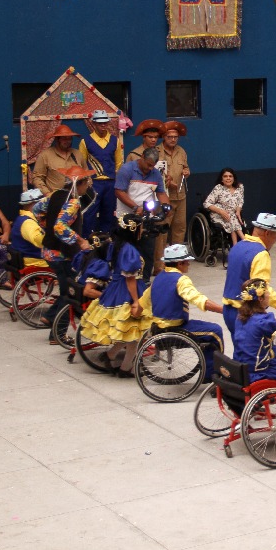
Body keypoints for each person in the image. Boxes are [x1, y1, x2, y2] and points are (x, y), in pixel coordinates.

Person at [78, 214, 152, 377]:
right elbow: (130, 279)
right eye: (140, 228)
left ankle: (111, 355)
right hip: (127, 291)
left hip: (115, 289)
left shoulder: (116, 245)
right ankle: (125, 368)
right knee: (135, 332)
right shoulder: (130, 250)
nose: (142, 231)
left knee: (128, 331)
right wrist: (136, 301)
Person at [148, 244, 225, 382]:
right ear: (180, 263)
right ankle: (212, 376)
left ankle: (208, 368)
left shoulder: (159, 278)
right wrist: (223, 310)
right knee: (215, 332)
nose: (189, 264)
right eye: (187, 261)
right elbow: (199, 299)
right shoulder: (181, 280)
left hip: (158, 328)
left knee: (206, 328)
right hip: (175, 329)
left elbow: (143, 302)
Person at [221, 212, 276, 337]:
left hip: (228, 311)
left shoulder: (237, 246)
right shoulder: (261, 254)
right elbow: (261, 290)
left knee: (241, 347)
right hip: (246, 314)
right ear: (267, 233)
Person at [35, 167, 95, 329]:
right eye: (86, 183)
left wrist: (45, 225)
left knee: (66, 289)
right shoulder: (73, 202)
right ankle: (58, 331)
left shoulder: (54, 195)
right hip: (61, 254)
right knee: (69, 292)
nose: (88, 187)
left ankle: (50, 317)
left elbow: (36, 209)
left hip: (48, 250)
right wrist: (80, 241)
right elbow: (60, 227)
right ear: (79, 184)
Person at [114, 148, 170, 281]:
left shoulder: (156, 174)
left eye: (153, 166)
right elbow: (119, 191)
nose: (150, 168)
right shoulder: (127, 169)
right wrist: (135, 207)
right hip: (126, 219)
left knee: (147, 251)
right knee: (125, 250)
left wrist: (166, 207)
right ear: (142, 157)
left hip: (146, 219)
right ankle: (122, 281)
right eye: (148, 164)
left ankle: (144, 281)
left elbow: (161, 193)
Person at [77, 110, 122, 237]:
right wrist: (87, 180)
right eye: (100, 123)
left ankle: (106, 239)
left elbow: (118, 163)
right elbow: (82, 163)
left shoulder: (115, 140)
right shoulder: (85, 141)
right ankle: (88, 238)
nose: (103, 125)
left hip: (110, 182)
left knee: (109, 213)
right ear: (94, 124)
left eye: (105, 123)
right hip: (93, 183)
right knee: (89, 212)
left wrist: (115, 179)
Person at [154, 121, 190, 271]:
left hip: (180, 196)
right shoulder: (156, 151)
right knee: (162, 232)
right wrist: (166, 182)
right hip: (164, 197)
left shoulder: (181, 151)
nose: (173, 139)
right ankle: (159, 266)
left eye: (175, 137)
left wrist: (187, 172)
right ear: (164, 137)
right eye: (170, 137)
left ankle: (177, 263)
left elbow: (186, 167)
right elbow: (154, 173)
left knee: (179, 229)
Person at [32, 124, 85, 196]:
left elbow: (86, 175)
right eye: (64, 139)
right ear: (57, 139)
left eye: (69, 138)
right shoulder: (45, 155)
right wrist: (48, 193)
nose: (68, 141)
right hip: (56, 198)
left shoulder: (78, 154)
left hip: (76, 198)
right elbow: (37, 178)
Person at [203, 168, 245, 246]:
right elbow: (206, 203)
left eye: (230, 176)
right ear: (222, 179)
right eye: (225, 176)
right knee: (231, 217)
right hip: (218, 214)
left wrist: (238, 211)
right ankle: (245, 240)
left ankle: (235, 246)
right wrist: (220, 211)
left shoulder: (240, 187)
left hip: (232, 215)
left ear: (234, 178)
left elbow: (240, 201)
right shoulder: (218, 188)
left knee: (232, 217)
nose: (228, 178)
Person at [9, 189, 47, 271]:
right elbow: (40, 241)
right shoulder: (28, 222)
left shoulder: (22, 218)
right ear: (32, 204)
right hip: (36, 262)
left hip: (29, 258)